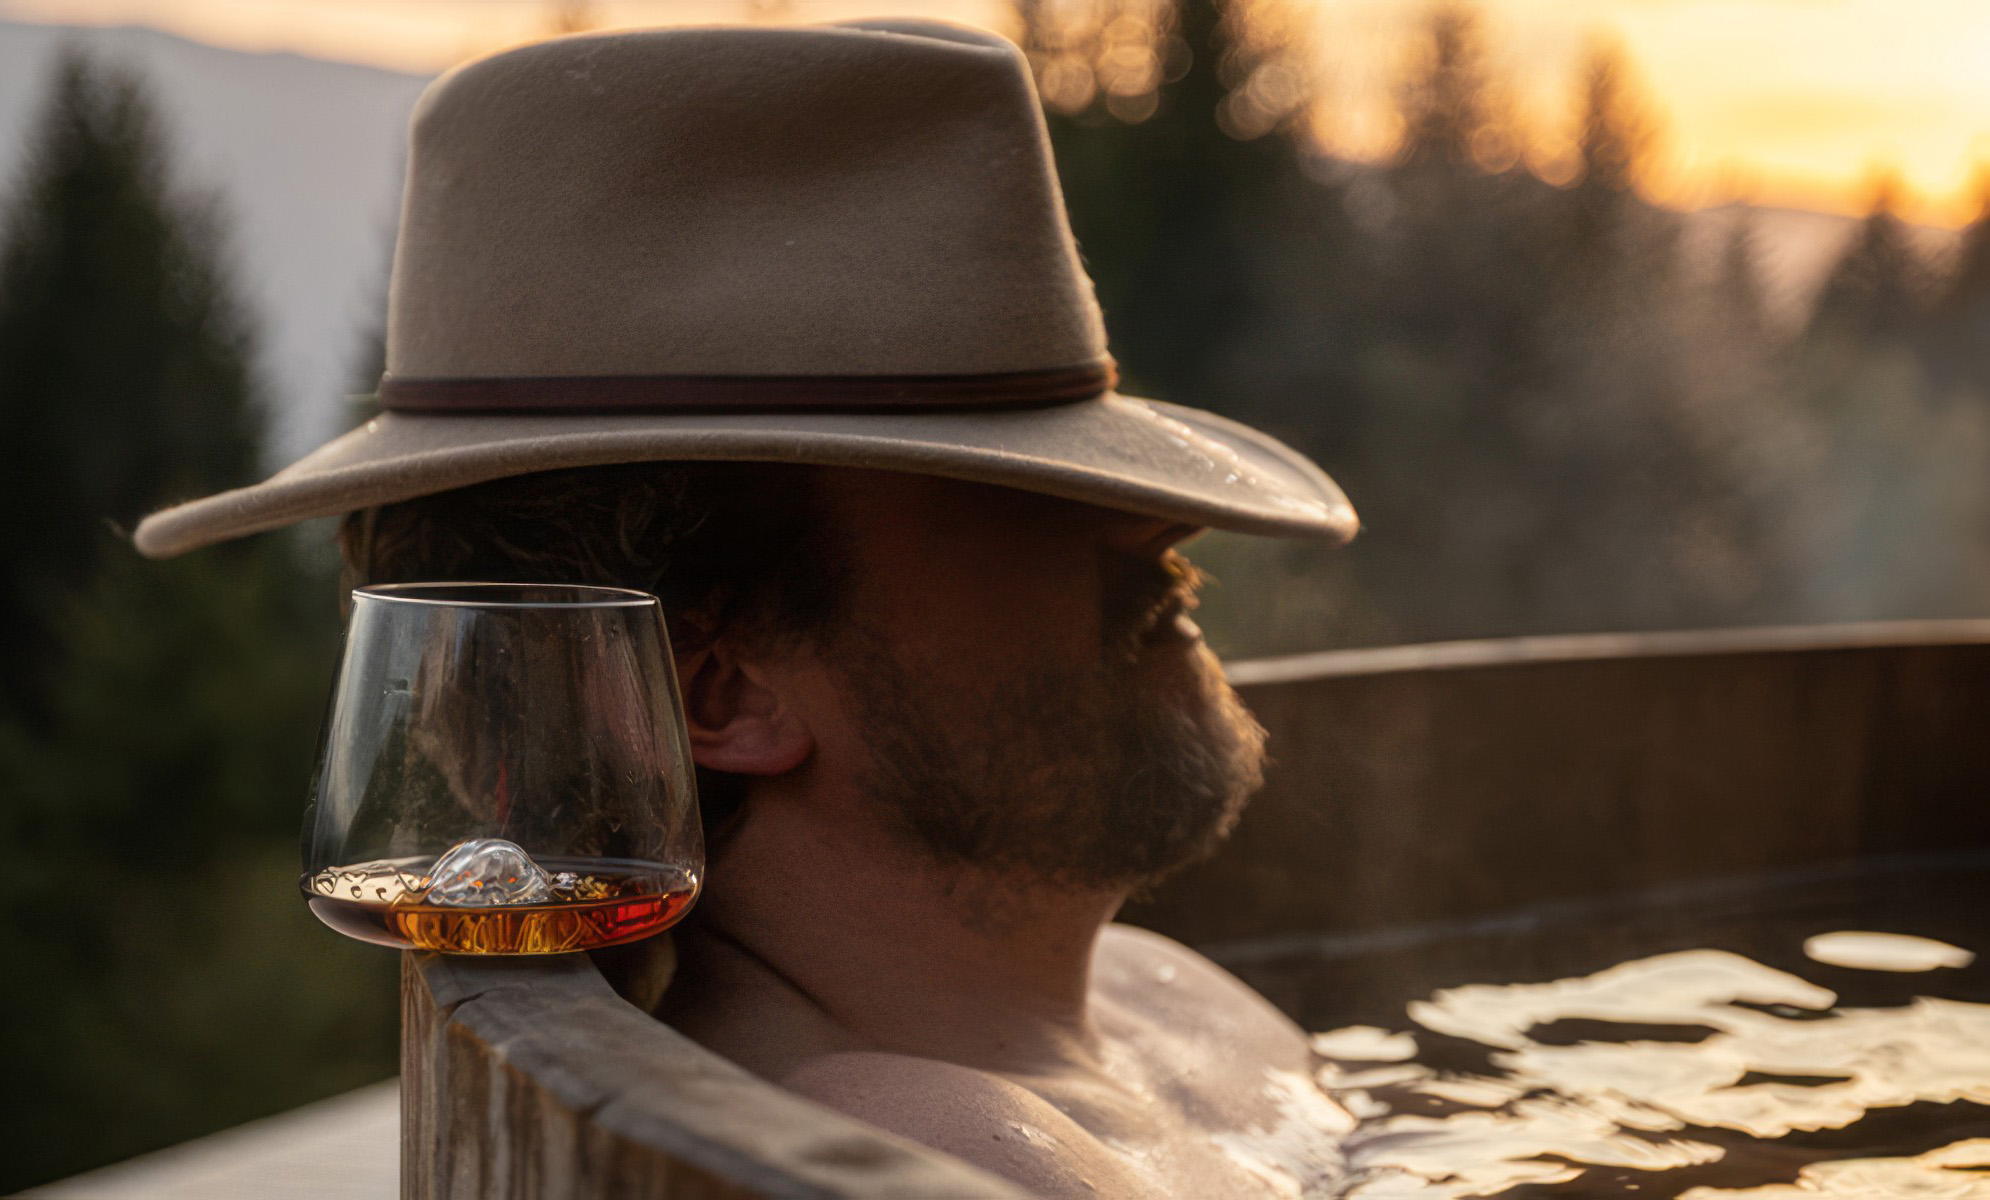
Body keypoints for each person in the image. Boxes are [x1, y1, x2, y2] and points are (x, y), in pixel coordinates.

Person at [136, 19, 1359, 1198]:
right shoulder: (923, 1154)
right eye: (1023, 498)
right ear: (722, 686)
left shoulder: (1167, 1002)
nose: (1165, 526)